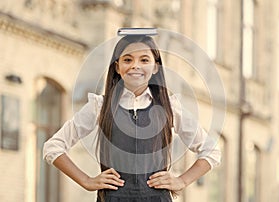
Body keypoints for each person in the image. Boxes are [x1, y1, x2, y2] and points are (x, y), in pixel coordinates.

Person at [43, 33, 221, 202]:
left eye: (144, 60)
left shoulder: (170, 107)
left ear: (155, 67)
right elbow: (53, 147)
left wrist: (182, 181)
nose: (135, 65)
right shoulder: (100, 106)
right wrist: (87, 181)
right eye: (128, 59)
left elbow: (211, 151)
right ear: (117, 67)